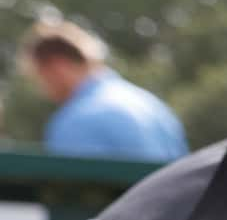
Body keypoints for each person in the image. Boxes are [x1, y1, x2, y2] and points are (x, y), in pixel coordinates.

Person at [15, 20, 188, 162]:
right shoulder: (155, 107)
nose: (40, 89)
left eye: (38, 77)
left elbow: (71, 196)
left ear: (58, 67)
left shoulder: (76, 120)